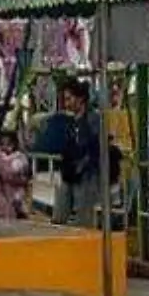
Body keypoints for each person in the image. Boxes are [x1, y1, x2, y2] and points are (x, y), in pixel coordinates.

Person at [33, 79, 102, 226]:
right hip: (69, 170)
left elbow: (94, 146)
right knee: (60, 213)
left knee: (83, 216)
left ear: (81, 98)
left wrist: (82, 164)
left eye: (69, 99)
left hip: (85, 172)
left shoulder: (92, 119)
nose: (67, 104)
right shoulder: (70, 121)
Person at [0, 130, 31, 221]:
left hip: (10, 194)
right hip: (2, 199)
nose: (5, 147)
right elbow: (9, 173)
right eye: (2, 144)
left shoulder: (18, 158)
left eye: (8, 144)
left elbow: (11, 173)